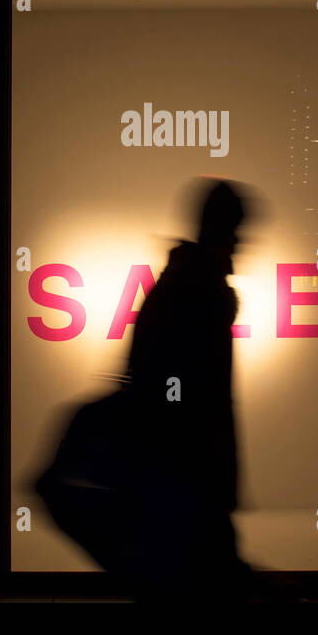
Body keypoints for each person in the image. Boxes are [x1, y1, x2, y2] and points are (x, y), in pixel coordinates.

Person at [124, 179, 260, 601]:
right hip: (187, 479)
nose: (243, 243)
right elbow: (172, 384)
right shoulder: (194, 294)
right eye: (237, 231)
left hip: (184, 477)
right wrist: (188, 443)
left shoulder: (186, 288)